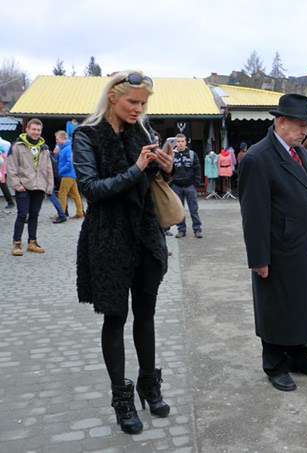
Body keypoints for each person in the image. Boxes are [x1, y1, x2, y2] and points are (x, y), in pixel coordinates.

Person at [73, 70, 174, 434]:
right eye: (133, 102)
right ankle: (122, 398)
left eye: (144, 103)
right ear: (113, 97)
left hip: (145, 236)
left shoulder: (143, 133)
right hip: (108, 239)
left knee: (146, 315)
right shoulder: (87, 135)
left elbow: (150, 184)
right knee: (115, 319)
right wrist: (137, 168)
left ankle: (149, 384)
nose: (139, 109)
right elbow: (92, 189)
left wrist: (165, 168)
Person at [238, 93, 307, 392]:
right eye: (300, 125)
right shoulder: (258, 158)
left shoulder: (298, 152)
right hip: (279, 248)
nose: (305, 131)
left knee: (302, 304)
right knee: (277, 306)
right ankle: (275, 364)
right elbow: (253, 214)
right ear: (281, 122)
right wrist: (258, 258)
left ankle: (300, 356)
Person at [6, 118, 53, 256]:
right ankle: (16, 243)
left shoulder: (44, 148)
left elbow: (49, 169)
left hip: (39, 186)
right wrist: (17, 185)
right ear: (27, 129)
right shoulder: (17, 146)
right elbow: (11, 166)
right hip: (23, 186)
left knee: (34, 215)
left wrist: (48, 187)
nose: (36, 132)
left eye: (38, 130)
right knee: (22, 214)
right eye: (33, 129)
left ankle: (32, 242)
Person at [171, 133, 203, 238]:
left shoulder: (192, 154)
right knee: (179, 210)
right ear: (175, 143)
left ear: (186, 142)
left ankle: (197, 230)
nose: (180, 144)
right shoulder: (171, 155)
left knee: (193, 209)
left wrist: (195, 184)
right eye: (178, 141)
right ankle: (181, 230)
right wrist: (171, 184)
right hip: (177, 186)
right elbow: (167, 171)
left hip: (190, 186)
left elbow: (198, 169)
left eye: (182, 141)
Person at [54, 130, 85, 220]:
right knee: (75, 194)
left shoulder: (67, 149)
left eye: (57, 139)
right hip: (71, 174)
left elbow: (69, 163)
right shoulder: (67, 148)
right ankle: (79, 213)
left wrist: (61, 171)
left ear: (63, 139)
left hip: (67, 175)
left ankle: (62, 213)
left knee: (62, 194)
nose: (57, 141)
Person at [0, 134, 14, 208]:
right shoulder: (7, 143)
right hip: (5, 167)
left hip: (1, 167)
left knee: (3, 185)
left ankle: (10, 202)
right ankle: (10, 202)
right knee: (3, 185)